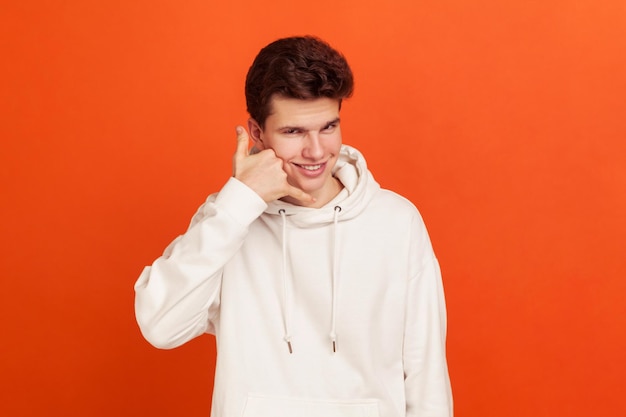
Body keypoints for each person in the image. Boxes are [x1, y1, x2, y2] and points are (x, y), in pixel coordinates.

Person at [134, 35, 453, 417]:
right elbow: (160, 326)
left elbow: (426, 374)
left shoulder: (396, 222)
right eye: (294, 132)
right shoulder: (228, 221)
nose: (317, 151)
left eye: (328, 127)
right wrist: (240, 201)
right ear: (256, 133)